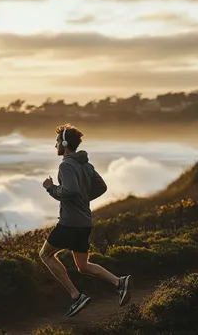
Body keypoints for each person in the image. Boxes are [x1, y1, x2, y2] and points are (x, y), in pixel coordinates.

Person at [39, 123, 132, 317]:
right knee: (83, 266)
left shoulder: (66, 165)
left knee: (45, 255)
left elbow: (69, 191)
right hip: (84, 223)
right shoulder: (86, 164)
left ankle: (76, 296)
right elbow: (101, 187)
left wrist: (50, 188)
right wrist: (83, 199)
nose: (55, 145)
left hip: (69, 223)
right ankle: (119, 282)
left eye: (56, 141)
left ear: (64, 143)